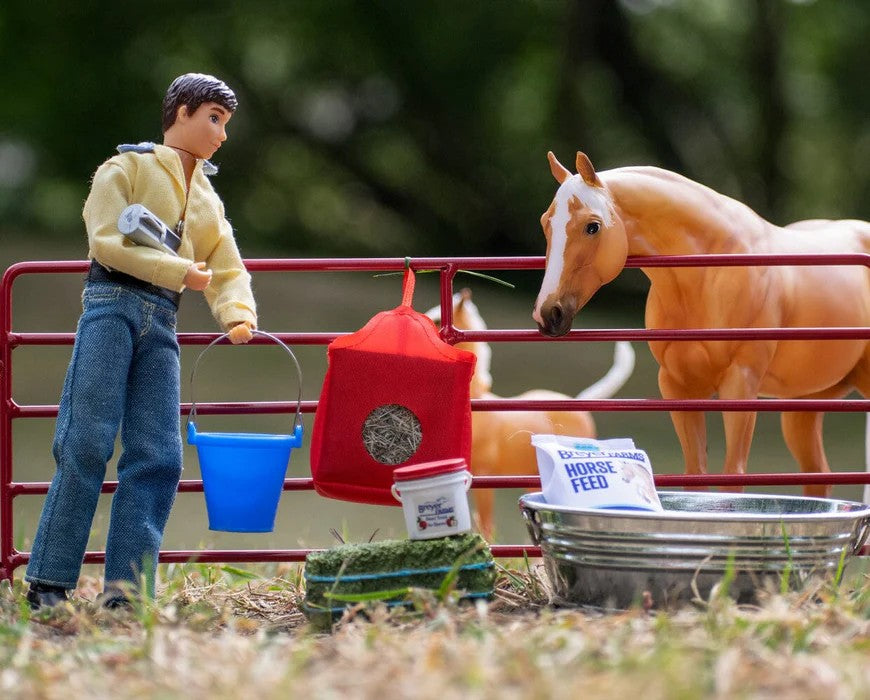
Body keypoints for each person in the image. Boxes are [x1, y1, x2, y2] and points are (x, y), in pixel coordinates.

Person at [24, 73, 257, 609]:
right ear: (182, 113)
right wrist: (177, 270)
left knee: (159, 454)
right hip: (112, 305)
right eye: (214, 119)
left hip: (163, 321)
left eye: (225, 123)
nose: (222, 134)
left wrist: (237, 312)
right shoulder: (126, 168)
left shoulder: (207, 199)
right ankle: (50, 581)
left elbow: (227, 266)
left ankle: (127, 592)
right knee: (85, 441)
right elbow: (105, 240)